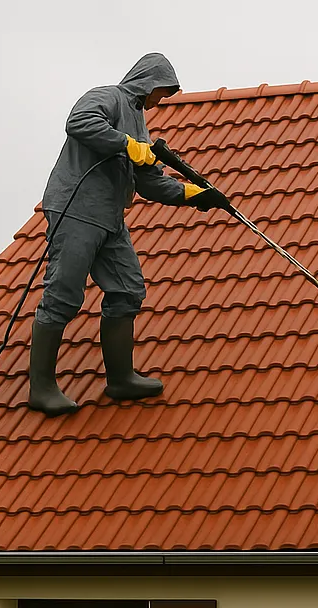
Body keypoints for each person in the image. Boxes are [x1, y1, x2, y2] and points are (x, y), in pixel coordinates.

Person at [29, 52, 228, 416]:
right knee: (64, 294)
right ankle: (41, 387)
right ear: (147, 81)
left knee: (127, 288)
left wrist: (194, 195)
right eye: (161, 92)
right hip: (76, 209)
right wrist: (126, 145)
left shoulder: (139, 124)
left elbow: (150, 183)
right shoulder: (107, 97)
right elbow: (80, 122)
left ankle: (120, 379)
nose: (160, 100)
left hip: (110, 219)